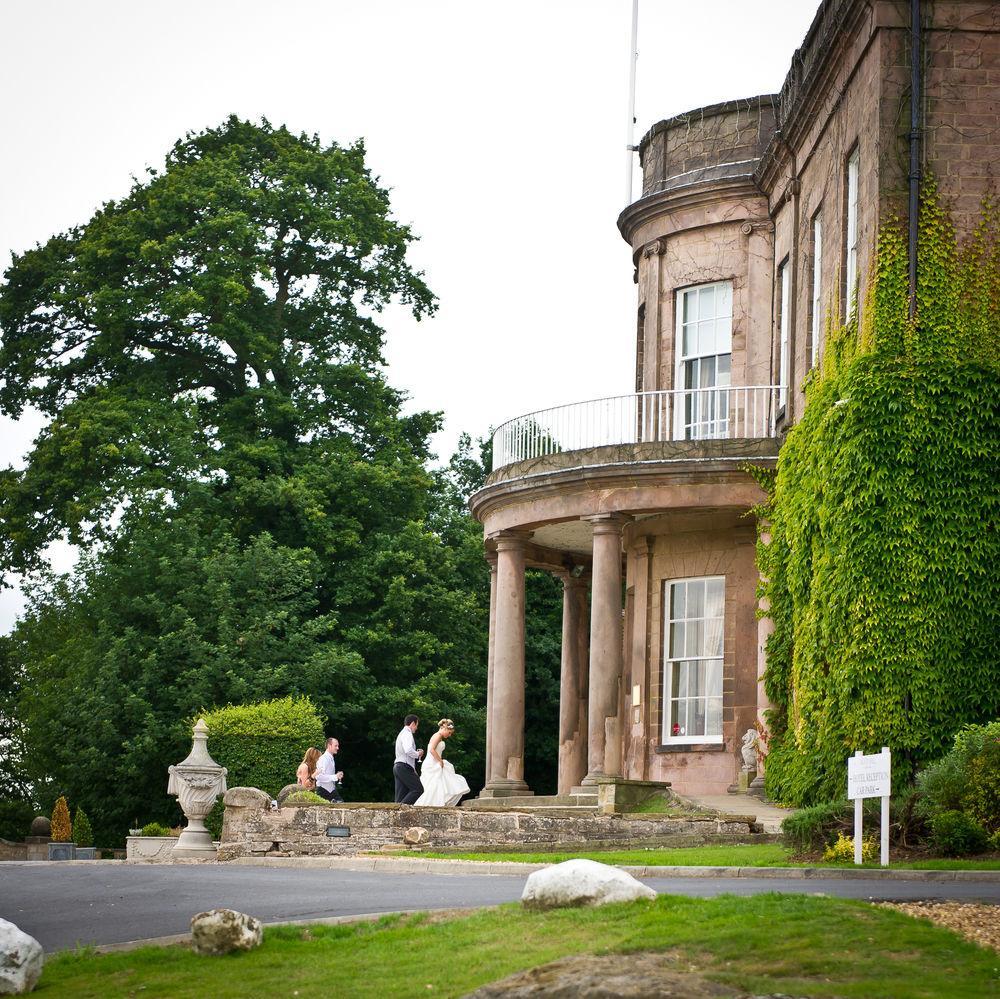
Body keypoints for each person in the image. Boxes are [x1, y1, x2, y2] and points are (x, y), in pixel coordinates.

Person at [415, 718, 470, 807]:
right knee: (434, 784)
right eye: (449, 733)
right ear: (445, 728)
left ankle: (436, 803)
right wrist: (440, 761)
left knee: (441, 782)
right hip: (432, 763)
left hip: (435, 761)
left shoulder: (439, 737)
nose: (449, 735)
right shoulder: (437, 735)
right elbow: (431, 750)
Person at [393, 714, 424, 805]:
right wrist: (418, 754)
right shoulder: (407, 733)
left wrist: (413, 769)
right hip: (404, 766)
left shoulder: (401, 733)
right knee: (418, 789)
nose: (416, 728)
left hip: (398, 766)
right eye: (417, 725)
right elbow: (408, 750)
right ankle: (400, 810)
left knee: (400, 796)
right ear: (413, 723)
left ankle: (397, 813)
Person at [314, 737, 344, 802]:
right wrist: (335, 776)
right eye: (335, 746)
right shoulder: (323, 759)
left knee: (341, 805)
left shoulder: (330, 758)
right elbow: (318, 776)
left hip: (331, 791)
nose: (338, 748)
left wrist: (336, 776)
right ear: (329, 746)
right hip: (323, 791)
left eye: (338, 746)